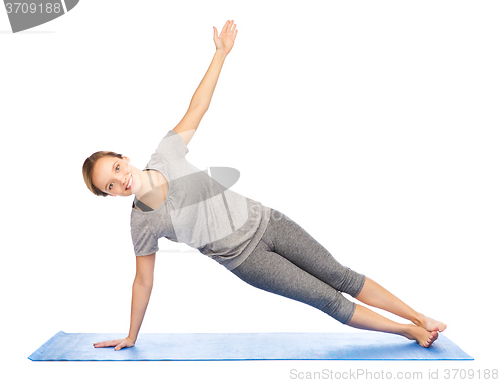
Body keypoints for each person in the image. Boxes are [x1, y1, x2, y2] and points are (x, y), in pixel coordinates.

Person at [84, 20, 446, 352]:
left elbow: (198, 107)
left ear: (124, 157)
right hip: (248, 260)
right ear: (110, 195)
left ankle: (419, 317)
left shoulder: (166, 154)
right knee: (327, 299)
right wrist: (132, 334)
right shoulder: (142, 224)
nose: (121, 180)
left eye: (117, 168)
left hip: (269, 222)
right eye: (111, 185)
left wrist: (220, 54)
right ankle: (408, 331)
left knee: (340, 275)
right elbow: (142, 282)